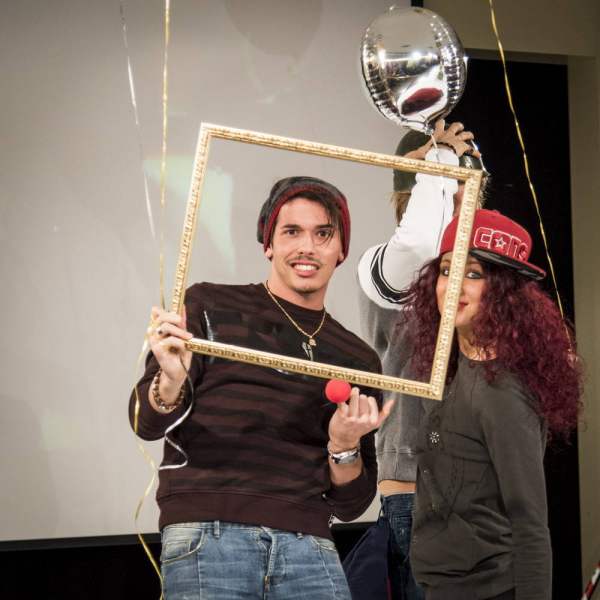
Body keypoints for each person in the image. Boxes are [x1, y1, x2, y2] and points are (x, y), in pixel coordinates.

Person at [129, 176, 394, 600]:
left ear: (341, 250)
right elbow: (145, 423)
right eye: (291, 232)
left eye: (323, 234)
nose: (307, 247)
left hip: (309, 545)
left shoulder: (357, 358)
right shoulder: (207, 306)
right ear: (268, 244)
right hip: (208, 535)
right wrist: (171, 381)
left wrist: (343, 446)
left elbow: (351, 505)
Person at [399, 209, 582, 599]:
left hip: (491, 589)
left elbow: (530, 522)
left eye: (473, 274)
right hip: (441, 585)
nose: (454, 286)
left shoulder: (503, 394)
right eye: (447, 270)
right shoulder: (450, 369)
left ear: (502, 292)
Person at [357, 120, 481, 599]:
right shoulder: (386, 265)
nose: (464, 207)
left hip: (482, 489)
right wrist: (439, 164)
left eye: (470, 194)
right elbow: (418, 243)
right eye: (451, 192)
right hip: (416, 488)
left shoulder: (476, 278)